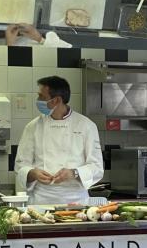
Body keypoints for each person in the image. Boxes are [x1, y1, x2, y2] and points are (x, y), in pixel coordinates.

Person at [14, 76, 104, 205]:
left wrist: (74, 173)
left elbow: (97, 167)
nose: (38, 100)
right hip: (41, 200)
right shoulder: (33, 127)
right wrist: (33, 173)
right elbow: (20, 165)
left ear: (56, 100)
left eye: (42, 97)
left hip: (75, 201)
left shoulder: (86, 126)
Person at [5, 23, 72, 48]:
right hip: (32, 39)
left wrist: (10, 45)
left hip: (9, 44)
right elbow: (65, 47)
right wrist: (39, 39)